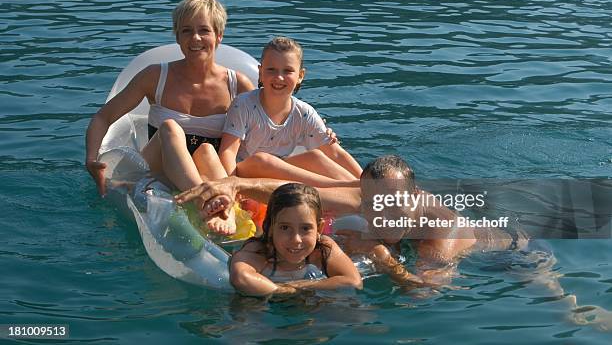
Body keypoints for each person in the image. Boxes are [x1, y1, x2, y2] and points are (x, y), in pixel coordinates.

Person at [175, 155, 520, 286]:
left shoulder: (440, 237)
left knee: (550, 292)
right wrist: (236, 184)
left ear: (414, 199)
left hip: (509, 253)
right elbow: (302, 193)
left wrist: (381, 258)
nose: (384, 216)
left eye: (395, 207)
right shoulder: (375, 198)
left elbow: (425, 292)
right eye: (375, 205)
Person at [85, 0, 253, 234]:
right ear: (177, 36)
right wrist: (92, 159)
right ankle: (204, 200)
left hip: (209, 169)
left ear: (219, 36)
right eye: (186, 31)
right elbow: (103, 117)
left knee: (207, 150)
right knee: (172, 128)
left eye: (204, 30)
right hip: (158, 169)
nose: (195, 38)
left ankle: (227, 215)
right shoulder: (155, 76)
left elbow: (270, 124)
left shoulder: (238, 85)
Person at [207, 36, 362, 189]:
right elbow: (227, 153)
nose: (279, 77)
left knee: (316, 157)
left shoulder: (304, 113)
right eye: (271, 70)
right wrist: (233, 185)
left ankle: (365, 188)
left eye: (287, 71)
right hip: (247, 177)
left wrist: (368, 179)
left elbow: (335, 154)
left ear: (300, 76)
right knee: (263, 160)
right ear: (260, 72)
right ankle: (346, 186)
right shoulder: (244, 105)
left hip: (279, 176)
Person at [229, 183, 362, 297]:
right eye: (285, 228)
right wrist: (285, 290)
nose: (296, 239)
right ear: (270, 228)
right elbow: (241, 278)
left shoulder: (322, 249)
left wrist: (300, 286)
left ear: (319, 229)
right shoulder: (261, 250)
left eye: (305, 228)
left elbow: (353, 281)